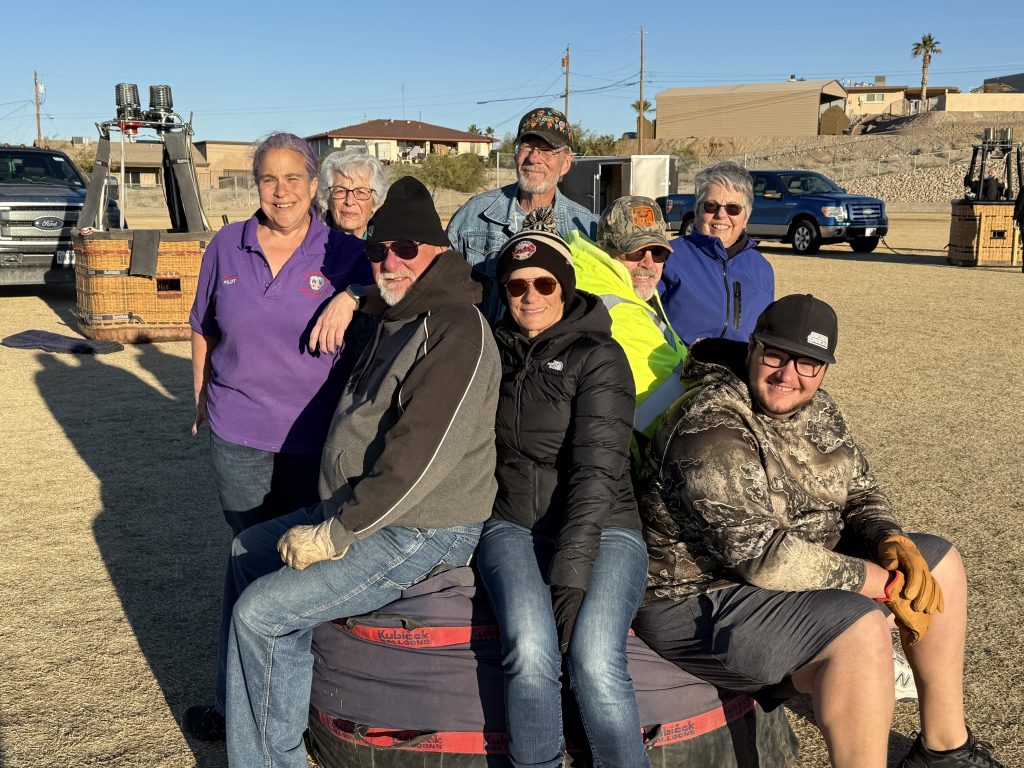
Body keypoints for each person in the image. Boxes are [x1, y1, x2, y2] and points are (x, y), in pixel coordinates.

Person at [631, 294, 1006, 768]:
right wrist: (884, 584)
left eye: (808, 363)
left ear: (824, 369)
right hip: (702, 600)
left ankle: (944, 749)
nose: (788, 376)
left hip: (791, 576)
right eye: (775, 355)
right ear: (753, 347)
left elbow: (860, 494)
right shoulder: (709, 422)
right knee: (860, 630)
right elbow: (764, 557)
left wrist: (890, 542)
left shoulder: (819, 410)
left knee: (939, 563)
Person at [222, 176, 501, 768]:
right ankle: (250, 717)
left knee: (263, 614)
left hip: (420, 527)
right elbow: (378, 291)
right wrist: (353, 294)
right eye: (377, 250)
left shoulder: (457, 330)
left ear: (438, 253)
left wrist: (336, 533)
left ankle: (271, 760)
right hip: (363, 508)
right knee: (247, 550)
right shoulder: (398, 311)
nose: (389, 262)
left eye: (405, 249)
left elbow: (419, 458)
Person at [183, 132, 371, 741]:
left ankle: (295, 707)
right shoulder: (226, 246)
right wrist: (200, 400)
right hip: (238, 434)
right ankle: (237, 701)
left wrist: (352, 292)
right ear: (255, 184)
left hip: (313, 441)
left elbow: (405, 288)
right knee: (250, 564)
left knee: (292, 570)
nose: (282, 191)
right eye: (269, 179)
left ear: (315, 186)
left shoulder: (343, 251)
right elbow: (202, 327)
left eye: (295, 178)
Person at [475, 229, 650, 768]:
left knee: (594, 658)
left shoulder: (599, 354)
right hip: (511, 522)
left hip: (605, 523)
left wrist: (571, 569)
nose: (530, 295)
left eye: (544, 282)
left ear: (565, 286)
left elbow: (598, 468)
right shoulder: (490, 350)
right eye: (516, 286)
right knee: (529, 652)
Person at [447, 107, 597, 323]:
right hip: (487, 350)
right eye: (527, 146)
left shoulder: (585, 227)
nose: (534, 158)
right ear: (516, 154)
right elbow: (442, 290)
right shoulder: (473, 215)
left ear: (566, 163)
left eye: (547, 150)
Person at [568, 196, 687, 439]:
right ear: (604, 248)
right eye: (635, 251)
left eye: (658, 252)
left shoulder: (624, 288)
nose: (648, 262)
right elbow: (656, 405)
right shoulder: (612, 306)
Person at [660, 161, 774, 345]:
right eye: (711, 206)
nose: (721, 215)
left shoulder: (762, 269)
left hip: (739, 371)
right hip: (680, 369)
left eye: (733, 208)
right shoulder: (668, 256)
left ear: (746, 217)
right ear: (697, 210)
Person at [316, 149, 388, 237]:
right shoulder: (310, 244)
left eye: (361, 192)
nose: (349, 202)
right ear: (328, 199)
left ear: (375, 203)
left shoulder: (387, 246)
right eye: (340, 191)